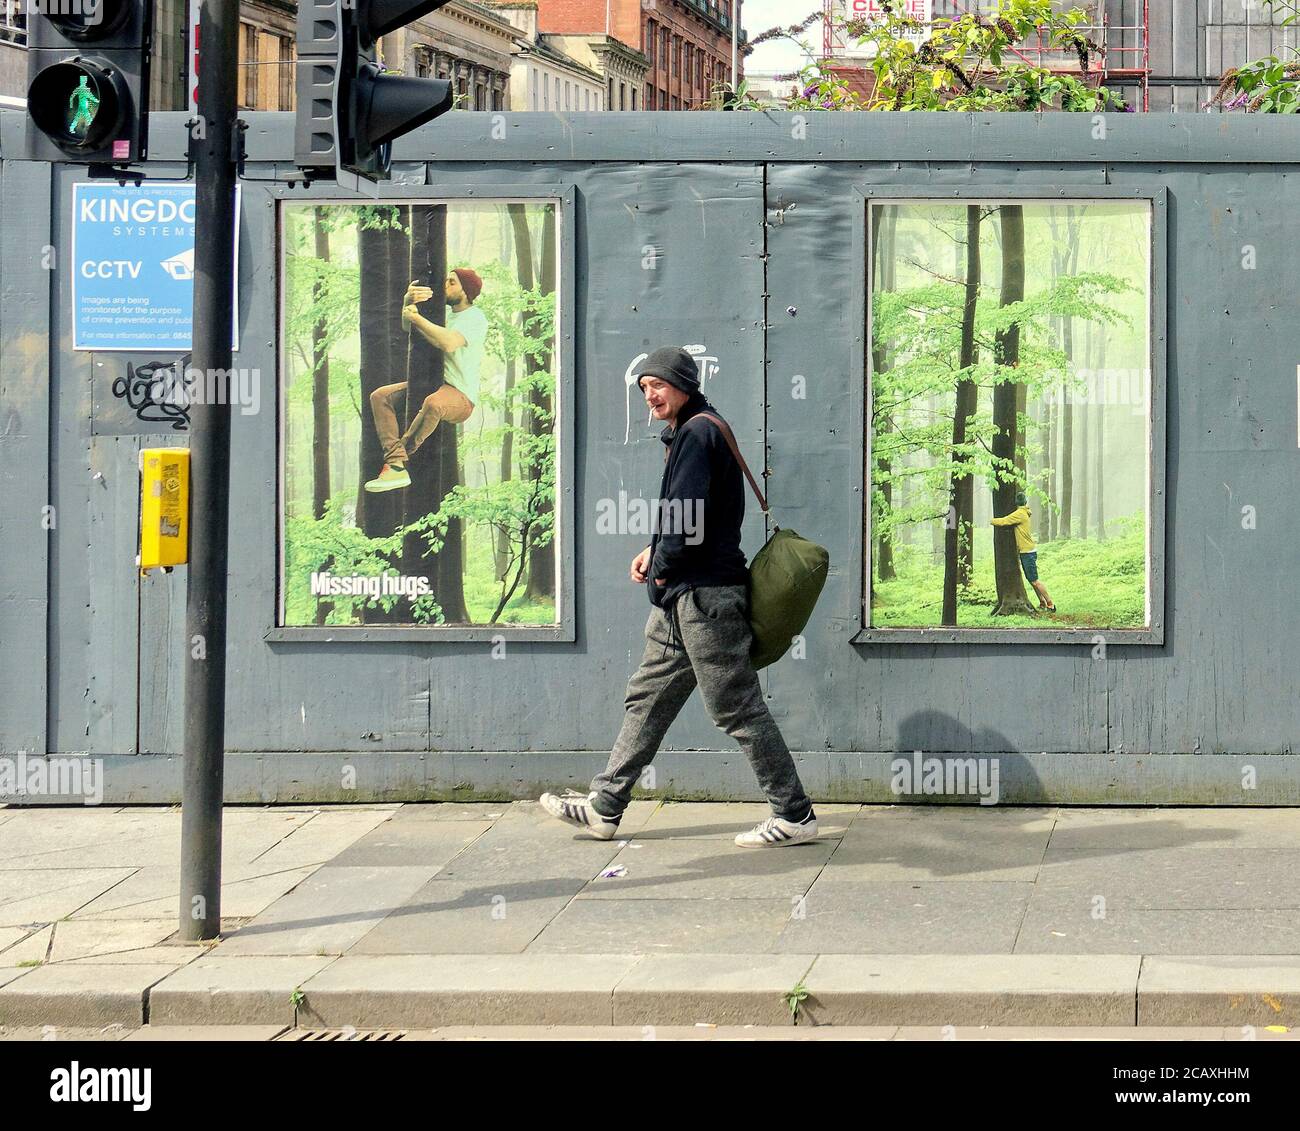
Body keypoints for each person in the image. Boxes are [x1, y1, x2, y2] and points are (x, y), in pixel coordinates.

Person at [540, 346, 819, 848]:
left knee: (737, 709)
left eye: (658, 385)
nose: (650, 395)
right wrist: (655, 550)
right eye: (644, 388)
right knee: (647, 698)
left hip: (705, 598)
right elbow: (694, 517)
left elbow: (687, 522)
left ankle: (794, 814)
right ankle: (606, 807)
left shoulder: (697, 432)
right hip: (688, 597)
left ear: (683, 384)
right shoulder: (698, 429)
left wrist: (662, 570)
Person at [364, 268, 488, 493]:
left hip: (461, 396)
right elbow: (408, 327)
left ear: (466, 291)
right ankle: (396, 464)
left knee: (434, 403)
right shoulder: (443, 314)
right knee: (380, 396)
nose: (445, 285)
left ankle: (395, 464)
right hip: (435, 384)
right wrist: (407, 303)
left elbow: (448, 343)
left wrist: (417, 317)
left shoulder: (475, 317)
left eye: (452, 282)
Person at [991, 491, 1056, 611]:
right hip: (1028, 550)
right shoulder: (1024, 512)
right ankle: (1042, 602)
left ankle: (1050, 603)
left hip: (1028, 552)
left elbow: (1004, 521)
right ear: (1025, 501)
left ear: (1016, 502)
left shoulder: (1020, 513)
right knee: (1031, 580)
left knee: (1035, 581)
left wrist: (991, 520)